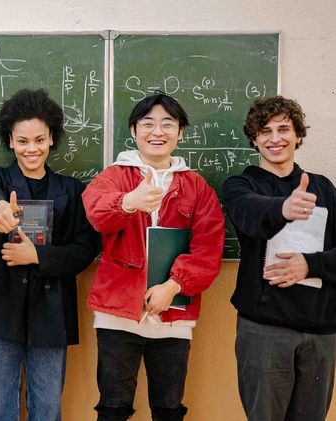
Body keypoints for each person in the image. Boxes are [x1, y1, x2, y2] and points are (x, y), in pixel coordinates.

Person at [0, 88, 100, 421]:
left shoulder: (73, 190)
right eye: (22, 141)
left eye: (39, 139)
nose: (31, 149)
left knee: (47, 406)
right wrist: (0, 208)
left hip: (50, 311)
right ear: (10, 140)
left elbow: (85, 248)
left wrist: (37, 256)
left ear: (51, 139)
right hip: (0, 305)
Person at [82, 93, 225, 421]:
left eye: (167, 123)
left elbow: (209, 248)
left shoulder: (197, 187)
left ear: (181, 132)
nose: (156, 131)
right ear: (134, 130)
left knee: (169, 409)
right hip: (118, 314)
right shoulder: (115, 176)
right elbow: (95, 213)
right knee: (113, 407)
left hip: (174, 319)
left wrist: (173, 286)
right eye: (147, 123)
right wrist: (128, 201)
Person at [222, 96, 336, 421]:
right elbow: (247, 212)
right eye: (265, 130)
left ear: (298, 135)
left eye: (284, 129)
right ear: (254, 139)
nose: (275, 138)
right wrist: (283, 208)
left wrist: (310, 265)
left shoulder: (325, 189)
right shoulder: (240, 186)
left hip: (320, 332)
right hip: (264, 330)